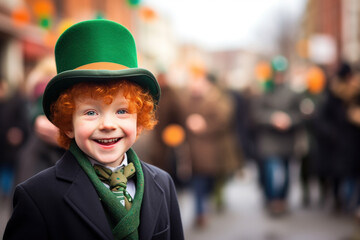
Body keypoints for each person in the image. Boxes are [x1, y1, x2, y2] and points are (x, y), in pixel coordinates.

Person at [4, 19, 184, 240]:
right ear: (68, 124)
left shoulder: (163, 184)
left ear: (139, 120)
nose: (108, 125)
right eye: (91, 112)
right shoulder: (38, 196)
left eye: (122, 111)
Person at [252, 56, 303, 216]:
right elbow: (256, 114)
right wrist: (272, 118)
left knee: (287, 173)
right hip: (269, 140)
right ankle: (272, 200)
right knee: (271, 171)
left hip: (287, 139)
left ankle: (282, 199)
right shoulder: (264, 92)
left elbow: (300, 114)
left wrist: (289, 120)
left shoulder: (293, 93)